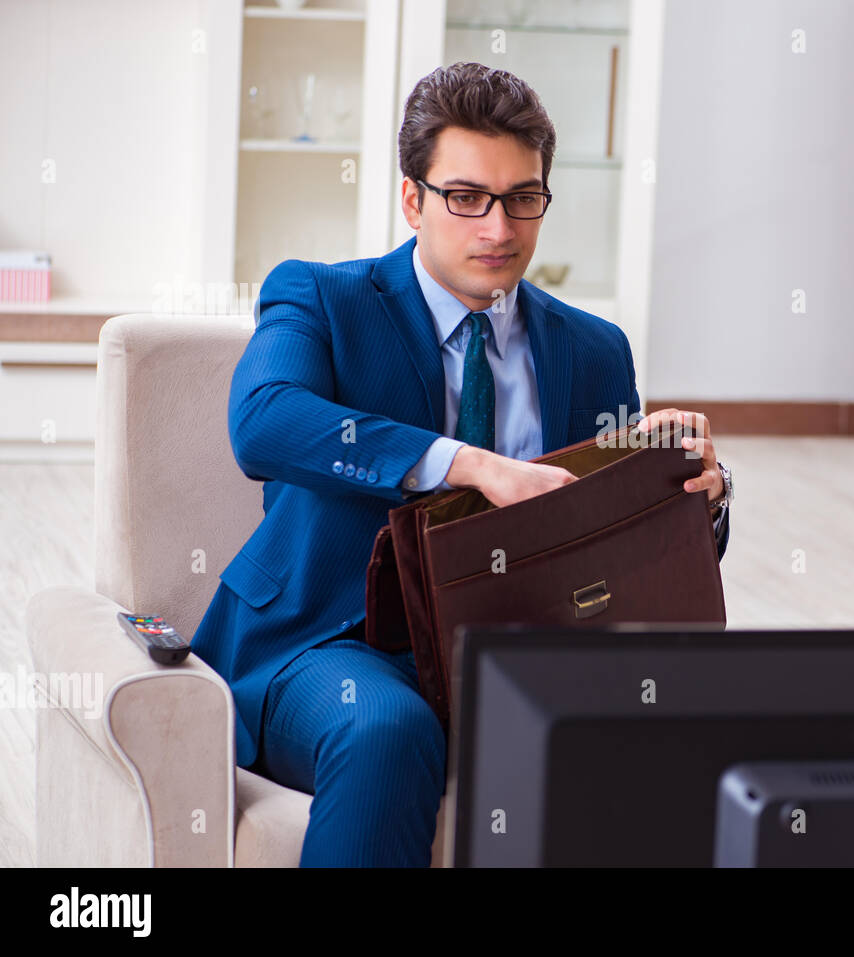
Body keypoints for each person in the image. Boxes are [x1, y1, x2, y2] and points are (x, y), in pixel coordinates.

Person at [190, 61, 732, 866]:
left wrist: (695, 499)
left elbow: (617, 547)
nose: (499, 228)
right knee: (388, 728)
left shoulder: (592, 349)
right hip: (332, 644)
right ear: (412, 199)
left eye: (523, 199)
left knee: (679, 721)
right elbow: (263, 423)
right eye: (466, 197)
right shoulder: (320, 298)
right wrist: (469, 465)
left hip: (518, 646)